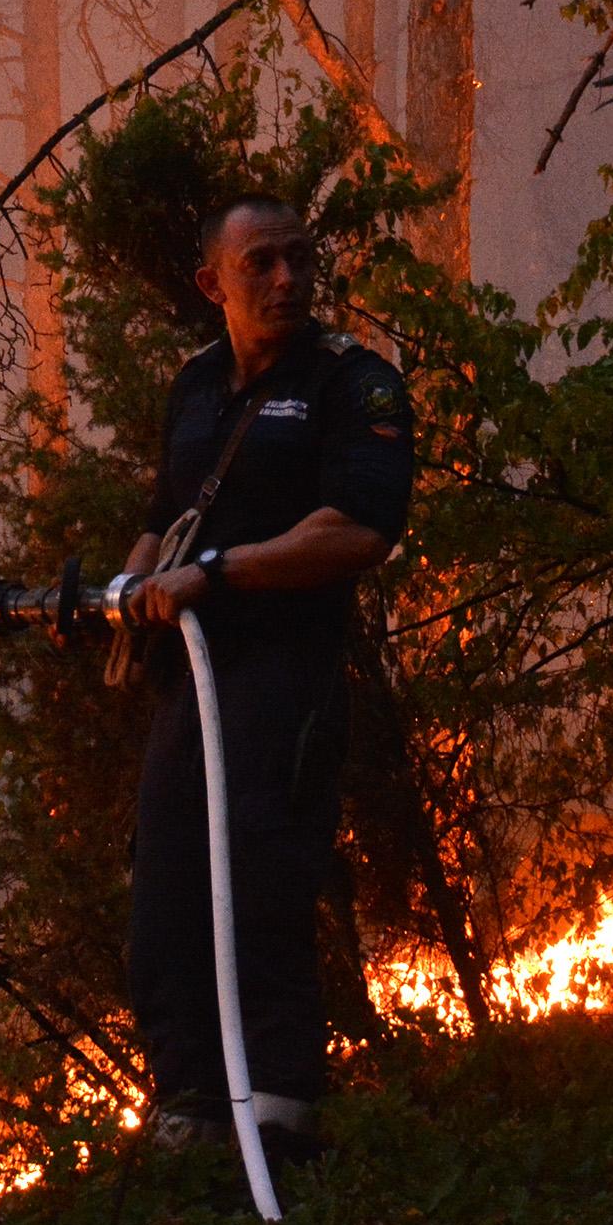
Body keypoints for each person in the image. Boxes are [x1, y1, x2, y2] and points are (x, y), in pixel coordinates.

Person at [116, 194, 414, 1160]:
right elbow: (162, 515)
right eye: (261, 263)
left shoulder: (353, 383)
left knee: (261, 876)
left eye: (299, 258)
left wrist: (215, 575)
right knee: (167, 881)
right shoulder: (196, 384)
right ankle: (191, 1110)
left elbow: (359, 528)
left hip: (288, 678)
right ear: (213, 282)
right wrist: (130, 587)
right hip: (189, 681)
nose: (287, 279)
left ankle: (280, 1116)